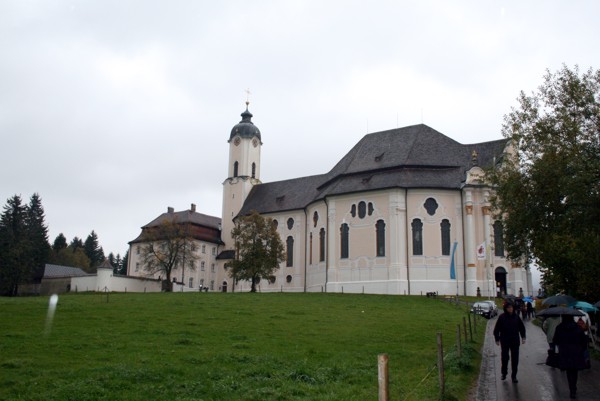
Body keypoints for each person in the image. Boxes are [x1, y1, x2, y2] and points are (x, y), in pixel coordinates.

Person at [553, 315, 588, 399]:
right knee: (574, 371)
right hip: (576, 352)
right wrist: (581, 350)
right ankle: (573, 389)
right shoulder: (578, 328)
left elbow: (555, 340)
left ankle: (571, 389)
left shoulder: (559, 327)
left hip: (565, 352)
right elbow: (584, 341)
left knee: (569, 371)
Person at [493, 302, 526, 383]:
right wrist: (497, 339)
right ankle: (504, 373)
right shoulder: (502, 317)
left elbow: (522, 328)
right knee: (504, 357)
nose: (510, 309)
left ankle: (514, 376)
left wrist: (523, 337)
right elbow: (496, 329)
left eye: (511, 307)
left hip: (515, 340)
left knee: (515, 359)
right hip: (505, 340)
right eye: (508, 308)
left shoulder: (516, 317)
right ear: (506, 309)